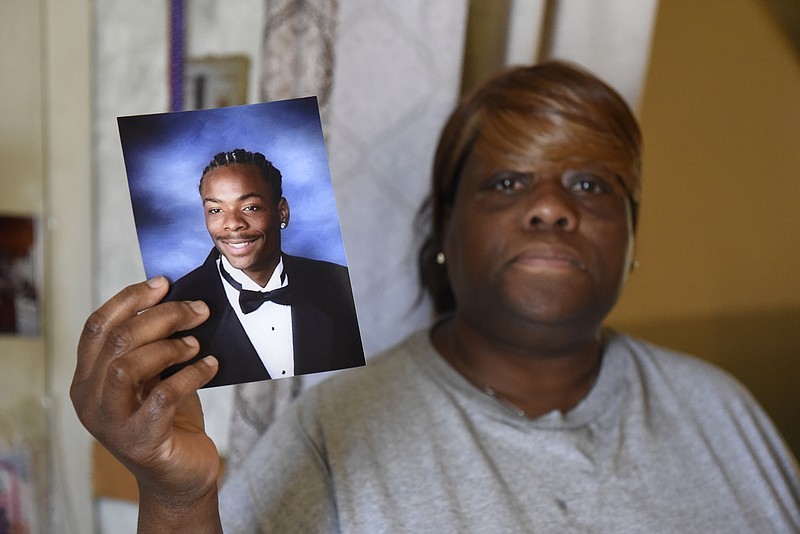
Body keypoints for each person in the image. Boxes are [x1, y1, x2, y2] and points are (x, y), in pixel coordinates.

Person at [71, 62, 800, 532]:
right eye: (508, 182)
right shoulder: (333, 432)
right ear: (444, 229)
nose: (552, 209)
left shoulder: (725, 411)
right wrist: (174, 499)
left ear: (634, 242)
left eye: (591, 185)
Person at [161, 149, 365, 387]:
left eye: (250, 207)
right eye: (216, 210)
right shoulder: (173, 310)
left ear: (282, 212)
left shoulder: (343, 284)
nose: (233, 224)